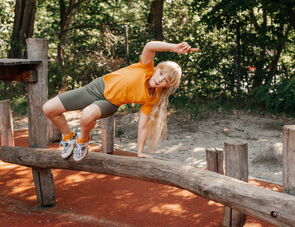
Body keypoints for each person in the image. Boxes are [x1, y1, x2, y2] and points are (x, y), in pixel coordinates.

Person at [43, 41, 199, 161]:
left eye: (166, 81)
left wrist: (140, 152)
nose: (160, 80)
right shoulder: (145, 67)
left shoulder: (151, 98)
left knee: (86, 115)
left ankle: (82, 141)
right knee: (49, 108)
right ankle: (68, 137)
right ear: (156, 69)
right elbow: (150, 45)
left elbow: (143, 125)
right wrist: (174, 47)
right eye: (161, 74)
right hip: (96, 87)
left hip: (109, 103)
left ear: (168, 86)